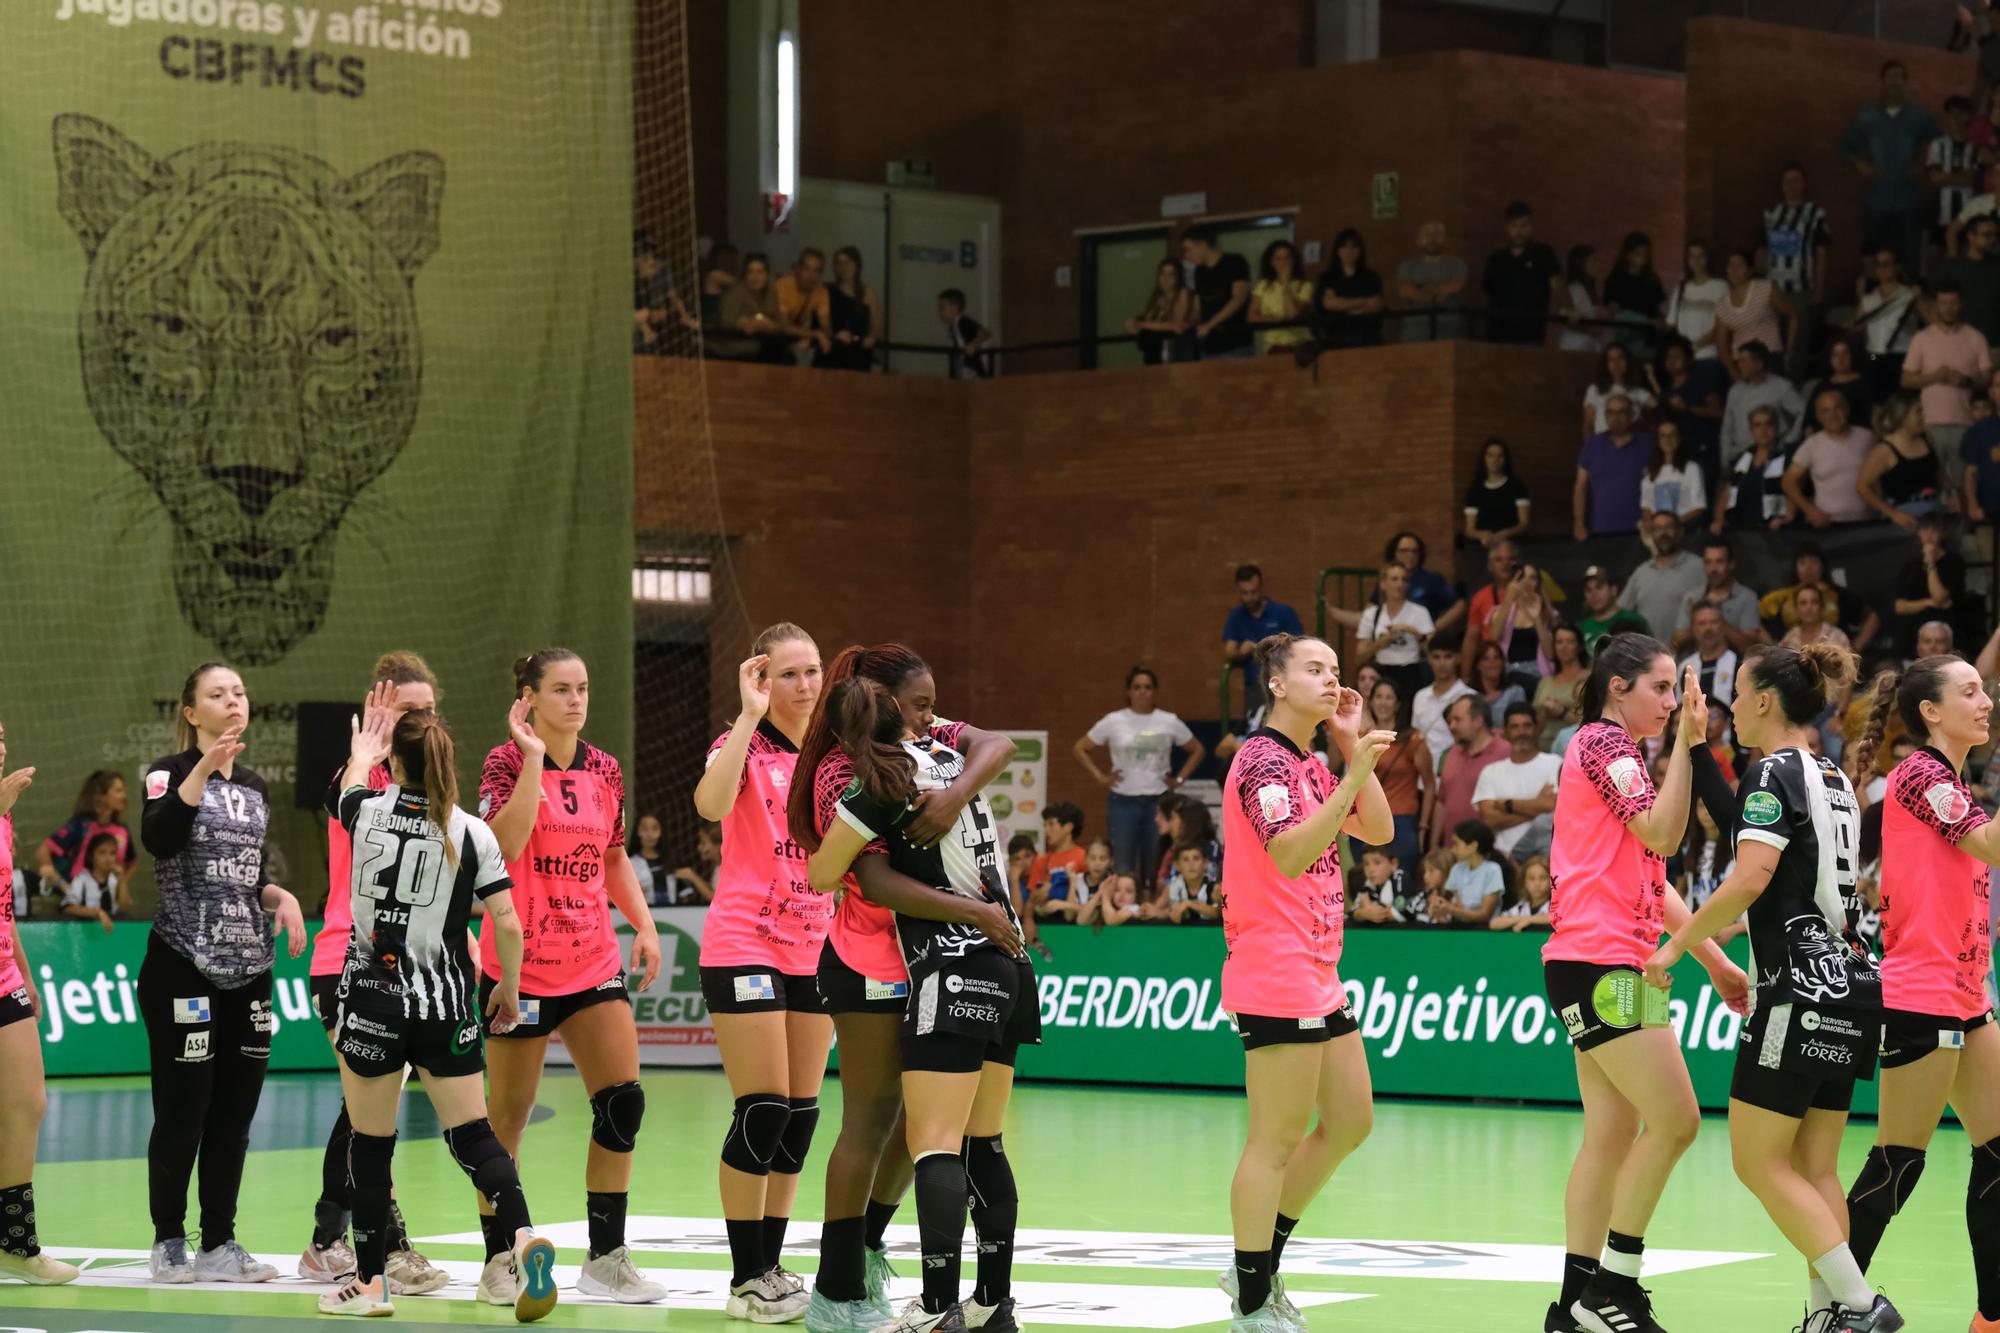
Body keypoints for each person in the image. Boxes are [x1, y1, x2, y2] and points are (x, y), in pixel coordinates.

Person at [1644, 645, 1899, 1333]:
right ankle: (1826, 1319)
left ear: (1762, 700)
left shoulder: (1772, 772)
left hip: (1796, 990)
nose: (1730, 702)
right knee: (1816, 1168)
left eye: (1738, 690)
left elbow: (1750, 874)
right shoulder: (1831, 775)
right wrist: (1696, 748)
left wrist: (1678, 942)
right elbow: (1745, 828)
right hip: (1850, 985)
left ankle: (1860, 1303)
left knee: (1757, 1160)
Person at [786, 643, 1018, 1331]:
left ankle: (872, 1248)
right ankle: (836, 1285)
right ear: (884, 704)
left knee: (922, 1129)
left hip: (938, 959)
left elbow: (996, 744)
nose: (933, 717)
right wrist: (977, 909)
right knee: (873, 1115)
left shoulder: (926, 737)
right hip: (872, 960)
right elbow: (864, 878)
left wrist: (952, 797)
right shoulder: (841, 772)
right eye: (919, 704)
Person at [315, 690, 560, 1322]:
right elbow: (506, 921)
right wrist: (507, 989)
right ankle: (523, 1237)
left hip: (372, 1002)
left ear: (392, 763)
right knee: (475, 1136)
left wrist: (360, 753)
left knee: (370, 1145)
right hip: (446, 1004)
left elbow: (344, 793)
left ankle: (371, 1284)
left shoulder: (362, 809)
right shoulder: (470, 830)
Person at [1542, 636, 1750, 1333]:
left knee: (1611, 1132)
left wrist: (1714, 961)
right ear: (1618, 687)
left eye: (1675, 691)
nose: (1670, 702)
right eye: (1660, 688)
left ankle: (1572, 1304)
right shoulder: (1606, 746)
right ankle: (1613, 1286)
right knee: (1677, 1120)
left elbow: (1649, 877)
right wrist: (1691, 744)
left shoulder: (1617, 752)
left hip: (1615, 963)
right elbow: (1663, 834)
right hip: (1602, 967)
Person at [1214, 633, 1393, 1330]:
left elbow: (1376, 827)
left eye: (1336, 670)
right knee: (1276, 1136)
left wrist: (1349, 747)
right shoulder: (1260, 759)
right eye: (1315, 669)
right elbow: (1289, 852)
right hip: (1275, 965)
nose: (1331, 679)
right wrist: (1348, 778)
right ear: (1277, 683)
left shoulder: (1311, 761)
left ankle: (1258, 1258)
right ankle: (1254, 1299)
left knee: (1350, 1119)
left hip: (1320, 966)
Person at [479, 648, 666, 1307]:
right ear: (528, 697)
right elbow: (502, 843)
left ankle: (606, 1257)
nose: (576, 699)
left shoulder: (605, 768)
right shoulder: (505, 762)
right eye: (560, 689)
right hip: (520, 968)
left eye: (582, 687)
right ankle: (501, 1256)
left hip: (591, 960)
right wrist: (532, 758)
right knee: (506, 1117)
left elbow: (613, 857)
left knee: (623, 1102)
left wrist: (642, 923)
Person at [1841, 656, 2000, 1330]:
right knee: (1898, 1163)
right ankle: (1835, 1302)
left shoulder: (1956, 785)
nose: (1986, 700)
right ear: (1930, 711)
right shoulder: (1920, 775)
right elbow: (1989, 843)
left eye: (1985, 689)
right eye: (1970, 690)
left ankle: (1991, 1316)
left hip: (1967, 990)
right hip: (1921, 995)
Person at [140, 663, 307, 1284]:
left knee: (234, 1116)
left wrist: (281, 898)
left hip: (250, 969)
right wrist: (204, 769)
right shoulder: (168, 773)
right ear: (192, 713)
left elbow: (244, 874)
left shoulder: (258, 788)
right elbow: (159, 840)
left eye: (238, 692)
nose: (232, 701)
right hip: (183, 964)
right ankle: (168, 1241)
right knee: (184, 1110)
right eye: (217, 694)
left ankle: (220, 1242)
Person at [299, 652, 450, 1296]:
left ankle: (328, 1237)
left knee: (364, 1111)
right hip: (348, 962)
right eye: (404, 710)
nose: (418, 720)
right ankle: (383, 1247)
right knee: (370, 1114)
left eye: (427, 710)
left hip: (410, 967)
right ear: (378, 713)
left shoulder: (434, 786)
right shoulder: (358, 780)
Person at [691, 626, 831, 1320]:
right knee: (764, 1107)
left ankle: (771, 1267)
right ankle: (746, 1276)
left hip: (817, 948)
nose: (804, 685)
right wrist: (747, 716)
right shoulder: (741, 744)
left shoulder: (834, 757)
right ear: (761, 678)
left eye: (812, 671)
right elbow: (711, 805)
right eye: (789, 673)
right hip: (746, 942)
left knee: (799, 1118)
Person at [0, 724, 78, 1286]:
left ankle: (16, 1242)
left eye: (3, 734)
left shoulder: (4, 817)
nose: (3, 744)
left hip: (3, 978)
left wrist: (24, 974)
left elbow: (3, 907)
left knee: (27, 1104)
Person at [1074, 668, 1205, 884]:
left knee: (1154, 860)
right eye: (1137, 687)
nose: (1142, 692)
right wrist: (1101, 777)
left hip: (1159, 801)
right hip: (1123, 800)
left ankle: (1150, 908)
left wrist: (1179, 780)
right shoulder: (1113, 720)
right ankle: (1125, 910)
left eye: (1147, 687)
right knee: (1123, 862)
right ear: (1128, 692)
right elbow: (1080, 747)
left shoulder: (1168, 720)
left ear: (1155, 691)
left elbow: (1197, 749)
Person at [1842, 61, 1940, 280]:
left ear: (1905, 81)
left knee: (1910, 257)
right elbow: (1846, 147)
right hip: (1875, 199)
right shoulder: (1866, 116)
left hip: (1910, 198)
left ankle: (1910, 298)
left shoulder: (1919, 115)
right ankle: (1871, 298)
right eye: (1890, 76)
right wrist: (1861, 164)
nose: (1894, 81)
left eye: (1899, 76)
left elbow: (1938, 143)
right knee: (1872, 255)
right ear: (1882, 80)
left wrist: (1923, 161)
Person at [1902, 280, 1991, 482]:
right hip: (1930, 424)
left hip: (1965, 423)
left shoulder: (1976, 337)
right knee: (1933, 483)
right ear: (1936, 305)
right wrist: (1935, 377)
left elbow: (1987, 380)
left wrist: (1966, 381)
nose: (1949, 309)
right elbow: (1906, 380)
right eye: (1944, 303)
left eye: (1953, 303)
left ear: (1961, 304)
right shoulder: (1921, 338)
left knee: (1964, 483)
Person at [1758, 165, 1834, 376]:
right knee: (1772, 341)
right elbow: (1762, 251)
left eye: (1796, 180)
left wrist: (1818, 290)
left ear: (1804, 184)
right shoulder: (1771, 213)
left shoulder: (1815, 213)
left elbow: (1821, 254)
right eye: (1786, 181)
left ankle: (1795, 386)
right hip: (1773, 289)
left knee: (1798, 343)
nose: (1791, 185)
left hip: (1801, 288)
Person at [1356, 677, 1431, 871]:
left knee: (1401, 881)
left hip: (1402, 820)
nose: (1383, 702)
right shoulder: (1362, 738)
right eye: (1378, 696)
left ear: (1398, 704)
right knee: (1368, 883)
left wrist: (1423, 826)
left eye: (1389, 697)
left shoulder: (1413, 739)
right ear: (1370, 701)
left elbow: (1430, 785)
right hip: (1367, 818)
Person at [1475, 703, 1563, 858]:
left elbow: (1554, 806)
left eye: (1527, 726)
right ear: (1505, 732)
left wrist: (1506, 805)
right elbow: (1489, 819)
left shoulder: (1555, 763)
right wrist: (1537, 805)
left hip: (1543, 859)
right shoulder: (1490, 772)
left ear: (1537, 729)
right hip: (1501, 858)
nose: (1521, 732)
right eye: (1515, 727)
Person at [1784, 390, 1878, 527]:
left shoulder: (1867, 437)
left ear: (1847, 409)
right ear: (1819, 417)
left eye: (1837, 408)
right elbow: (1788, 481)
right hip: (1828, 525)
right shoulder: (1812, 444)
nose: (1832, 415)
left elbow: (1878, 477)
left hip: (1867, 522)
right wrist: (1809, 510)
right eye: (1826, 411)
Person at [1224, 565, 1306, 715]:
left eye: (1253, 592)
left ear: (1261, 588)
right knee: (1257, 729)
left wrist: (1266, 647)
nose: (1249, 597)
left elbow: (1300, 648)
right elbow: (1229, 651)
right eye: (1245, 593)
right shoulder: (1236, 615)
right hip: (1254, 687)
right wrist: (1241, 651)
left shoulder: (1283, 613)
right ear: (1238, 591)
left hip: (1285, 684)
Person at [36, 769, 135, 893]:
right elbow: (43, 851)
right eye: (118, 791)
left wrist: (121, 887)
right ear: (102, 796)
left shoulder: (123, 830)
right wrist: (63, 885)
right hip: (79, 899)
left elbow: (132, 862)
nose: (124, 796)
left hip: (107, 899)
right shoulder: (82, 825)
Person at [1484, 200, 1566, 345]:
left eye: (1524, 225)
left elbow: (1557, 285)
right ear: (1507, 228)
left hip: (1531, 333)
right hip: (1498, 333)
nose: (1519, 231)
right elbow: (1488, 294)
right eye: (1514, 226)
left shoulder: (1543, 254)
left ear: (1531, 226)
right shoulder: (1496, 259)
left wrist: (1569, 308)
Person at [1573, 395, 1653, 539]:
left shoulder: (1646, 444)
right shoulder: (1592, 444)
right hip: (1601, 529)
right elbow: (1580, 488)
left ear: (1631, 415)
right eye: (1611, 412)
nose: (1616, 418)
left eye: (1621, 412)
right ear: (1605, 416)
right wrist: (1579, 524)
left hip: (1639, 530)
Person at [1857, 393, 1943, 524]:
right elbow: (1862, 486)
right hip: (1905, 519)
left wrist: (1953, 494)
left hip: (1934, 514)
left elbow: (1938, 474)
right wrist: (1892, 514)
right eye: (1918, 412)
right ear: (1903, 416)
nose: (1923, 416)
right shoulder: (1884, 450)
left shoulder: (1927, 440)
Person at [1720, 340, 1806, 468]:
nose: (1739, 365)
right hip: (1740, 456)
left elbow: (1803, 411)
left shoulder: (1781, 387)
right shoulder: (1735, 391)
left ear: (1759, 364)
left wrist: (1789, 441)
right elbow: (1727, 429)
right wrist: (1724, 460)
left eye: (1744, 361)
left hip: (1773, 455)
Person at [1893, 514, 1968, 659]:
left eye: (1934, 530)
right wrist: (1929, 602)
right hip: (1914, 632)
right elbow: (1900, 606)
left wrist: (1931, 564)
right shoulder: (1911, 565)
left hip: (1947, 629)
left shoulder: (1954, 561)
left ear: (1942, 534)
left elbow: (1939, 596)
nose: (1928, 535)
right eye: (1924, 530)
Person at [1353, 562, 1434, 698]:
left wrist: (1417, 635)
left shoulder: (1420, 613)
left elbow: (1434, 652)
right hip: (1381, 673)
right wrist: (1380, 643)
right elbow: (1359, 658)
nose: (1400, 584)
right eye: (1394, 579)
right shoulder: (1372, 614)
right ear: (1383, 584)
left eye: (1404, 579)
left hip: (1412, 673)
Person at [1674, 536, 1765, 655]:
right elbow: (1677, 644)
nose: (1713, 569)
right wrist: (1697, 620)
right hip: (1697, 666)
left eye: (1719, 562)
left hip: (1735, 668)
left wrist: (1717, 619)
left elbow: (1750, 645)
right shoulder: (1692, 597)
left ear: (1731, 564)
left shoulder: (1747, 597)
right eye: (1708, 562)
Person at [1622, 512, 1706, 640]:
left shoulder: (1699, 567)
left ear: (1680, 532)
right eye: (1657, 529)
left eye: (1669, 527)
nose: (1663, 533)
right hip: (1648, 656)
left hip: (1688, 656)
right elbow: (1621, 612)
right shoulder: (1641, 572)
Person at [1716, 252, 1797, 375]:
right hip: (1741, 362)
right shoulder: (1723, 304)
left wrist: (1788, 351)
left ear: (1749, 270)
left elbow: (1792, 315)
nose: (1734, 270)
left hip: (1769, 357)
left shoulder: (1765, 288)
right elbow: (1721, 347)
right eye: (1730, 266)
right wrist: (1735, 375)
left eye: (1740, 265)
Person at [1717, 406, 1795, 532]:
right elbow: (1726, 494)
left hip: (1772, 533)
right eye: (1757, 425)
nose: (1763, 430)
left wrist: (1787, 518)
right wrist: (1719, 520)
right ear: (1751, 430)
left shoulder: (1786, 459)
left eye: (1768, 424)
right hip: (1739, 530)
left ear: (1776, 428)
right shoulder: (1741, 459)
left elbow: (1792, 493)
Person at [1184, 227, 1252, 359]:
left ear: (1202, 245)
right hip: (1210, 346)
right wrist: (1189, 323)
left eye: (1189, 250)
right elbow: (1198, 306)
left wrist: (1210, 324)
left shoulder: (1235, 262)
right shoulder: (1199, 271)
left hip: (1236, 343)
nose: (1187, 256)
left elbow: (1239, 298)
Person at [1396, 219, 1468, 341]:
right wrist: (1437, 293)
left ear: (1445, 238)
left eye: (1437, 233)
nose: (1432, 239)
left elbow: (1455, 286)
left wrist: (1422, 289)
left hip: (1448, 334)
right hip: (1414, 334)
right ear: (1418, 239)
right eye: (1427, 234)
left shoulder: (1456, 264)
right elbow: (1405, 290)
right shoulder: (1408, 266)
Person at [713, 253, 792, 364]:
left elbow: (778, 323)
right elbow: (725, 321)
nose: (755, 277)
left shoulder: (771, 292)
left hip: (763, 342)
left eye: (760, 272)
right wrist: (743, 323)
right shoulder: (736, 292)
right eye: (750, 272)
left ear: (766, 275)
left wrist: (769, 325)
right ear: (745, 275)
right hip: (735, 345)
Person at [1315, 228, 1385, 348]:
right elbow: (1329, 304)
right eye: (1345, 247)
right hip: (1336, 339)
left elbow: (1377, 304)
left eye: (1354, 247)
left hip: (1368, 338)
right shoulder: (1327, 278)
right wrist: (1363, 302)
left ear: (1360, 251)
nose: (1349, 252)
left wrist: (1344, 305)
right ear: (1338, 251)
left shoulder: (1371, 277)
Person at [1433, 819, 1506, 926]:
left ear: (1473, 846)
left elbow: (1485, 915)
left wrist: (1451, 910)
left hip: (1485, 934)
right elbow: (1457, 907)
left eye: (1456, 844)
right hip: (1460, 931)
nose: (1452, 849)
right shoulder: (1456, 869)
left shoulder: (1492, 870)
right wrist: (1439, 909)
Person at [1463, 435, 1532, 548]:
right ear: (1484, 459)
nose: (1495, 460)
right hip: (1483, 546)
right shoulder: (1475, 490)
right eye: (1490, 455)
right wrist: (1483, 535)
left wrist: (1505, 533)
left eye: (1500, 456)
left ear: (1505, 460)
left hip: (1511, 544)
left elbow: (1524, 524)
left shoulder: (1517, 486)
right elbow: (1469, 529)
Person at [1639, 420, 1709, 529]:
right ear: (1658, 441)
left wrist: (1672, 524)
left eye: (1672, 435)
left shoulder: (1692, 468)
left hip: (1684, 530)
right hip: (1658, 534)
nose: (1668, 439)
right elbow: (1647, 506)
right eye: (1663, 436)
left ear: (1679, 439)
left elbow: (1698, 507)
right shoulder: (1649, 471)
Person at [1248, 239, 1313, 356]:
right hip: (1273, 345)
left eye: (1287, 258)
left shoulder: (1305, 285)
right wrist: (1276, 319)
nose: (1283, 262)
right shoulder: (1263, 286)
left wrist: (1286, 283)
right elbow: (1252, 316)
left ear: (1293, 260)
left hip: (1300, 344)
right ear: (1271, 262)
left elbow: (1291, 314)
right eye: (1278, 258)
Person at [821, 246, 881, 372]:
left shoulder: (868, 294)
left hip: (858, 354)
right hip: (834, 352)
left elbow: (876, 328)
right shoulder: (827, 291)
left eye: (848, 262)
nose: (844, 267)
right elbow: (824, 322)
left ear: (857, 265)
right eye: (839, 263)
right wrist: (834, 336)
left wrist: (871, 339)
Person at [1127, 257, 1196, 365]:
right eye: (1162, 274)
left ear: (1178, 277)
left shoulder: (1182, 293)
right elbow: (1149, 319)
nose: (1166, 278)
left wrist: (1142, 324)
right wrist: (1136, 324)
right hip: (1154, 351)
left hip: (1175, 351)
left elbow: (1177, 325)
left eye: (1171, 275)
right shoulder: (1158, 295)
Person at [1029, 803, 1090, 923]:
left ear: (1068, 827)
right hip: (1046, 922)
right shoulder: (1041, 859)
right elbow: (1032, 898)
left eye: (1051, 824)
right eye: (1044, 825)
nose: (1046, 830)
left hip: (1075, 923)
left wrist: (1055, 887)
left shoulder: (1084, 857)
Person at [1536, 623, 1591, 750]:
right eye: (1559, 642)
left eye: (1570, 641)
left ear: (1579, 646)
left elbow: (1593, 721)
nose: (1564, 647)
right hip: (1543, 746)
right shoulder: (1545, 682)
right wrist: (1544, 713)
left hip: (1574, 747)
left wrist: (1562, 712)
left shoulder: (1590, 679)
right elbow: (1534, 723)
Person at [1583, 344, 1657, 437]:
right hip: (1603, 446)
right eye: (1611, 360)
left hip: (1632, 445)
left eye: (1620, 358)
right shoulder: (1595, 389)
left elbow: (1658, 409)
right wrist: (1589, 449)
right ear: (1605, 364)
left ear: (1627, 361)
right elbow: (1588, 426)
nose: (1616, 363)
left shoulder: (1637, 391)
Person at [59, 832, 127, 929]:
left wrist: (122, 880)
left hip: (110, 933)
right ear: (91, 856)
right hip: (87, 934)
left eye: (112, 853)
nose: (108, 859)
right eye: (102, 853)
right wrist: (97, 912)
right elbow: (67, 907)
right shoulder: (81, 879)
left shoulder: (114, 880)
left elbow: (124, 908)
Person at [1576, 567, 1649, 654]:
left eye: (1599, 587)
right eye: (1588, 590)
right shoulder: (1581, 629)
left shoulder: (1634, 621)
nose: (1594, 594)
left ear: (1613, 590)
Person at [1783, 583, 1854, 655]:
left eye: (1814, 602)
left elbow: (1849, 665)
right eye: (1803, 603)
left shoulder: (1838, 636)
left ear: (1822, 607)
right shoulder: (1789, 638)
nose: (1809, 607)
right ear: (1796, 609)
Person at [1560, 244, 1604, 355]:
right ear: (1580, 265)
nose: (1597, 264)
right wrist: (1594, 331)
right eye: (1592, 261)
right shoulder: (1574, 289)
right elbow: (1567, 318)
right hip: (1575, 348)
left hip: (1588, 347)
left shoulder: (1590, 290)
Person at [937, 289, 992, 379]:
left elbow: (985, 332)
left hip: (972, 374)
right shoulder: (952, 327)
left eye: (943, 307)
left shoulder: (962, 322)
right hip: (962, 374)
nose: (939, 311)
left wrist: (974, 344)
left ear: (955, 308)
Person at [1494, 854, 1555, 932]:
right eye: (1532, 878)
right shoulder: (1520, 907)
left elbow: (1559, 918)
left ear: (1552, 880)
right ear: (1524, 882)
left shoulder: (1555, 905)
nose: (1537, 883)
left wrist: (1529, 920)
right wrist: (1522, 919)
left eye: (1543, 878)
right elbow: (1494, 923)